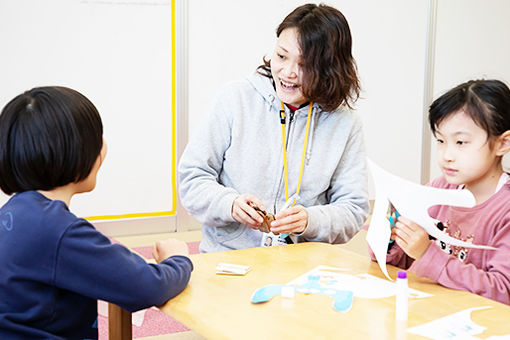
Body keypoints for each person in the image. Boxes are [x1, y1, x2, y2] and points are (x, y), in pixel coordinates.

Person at [0, 86, 193, 338]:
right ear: (76, 150)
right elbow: (147, 286)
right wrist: (178, 258)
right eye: (97, 138)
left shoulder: (15, 213)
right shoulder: (58, 230)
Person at [179, 3, 369, 253]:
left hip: (302, 264)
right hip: (228, 258)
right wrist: (230, 204)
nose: (288, 72)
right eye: (281, 56)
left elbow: (353, 209)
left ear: (329, 69)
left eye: (304, 65)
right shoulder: (235, 99)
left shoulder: (345, 122)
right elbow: (192, 177)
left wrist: (311, 221)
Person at [371, 79, 510, 304]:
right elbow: (401, 263)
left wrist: (427, 253)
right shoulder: (439, 190)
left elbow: (502, 292)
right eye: (441, 141)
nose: (447, 155)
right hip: (431, 313)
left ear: (502, 144)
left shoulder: (505, 211)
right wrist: (389, 237)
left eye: (461, 142)